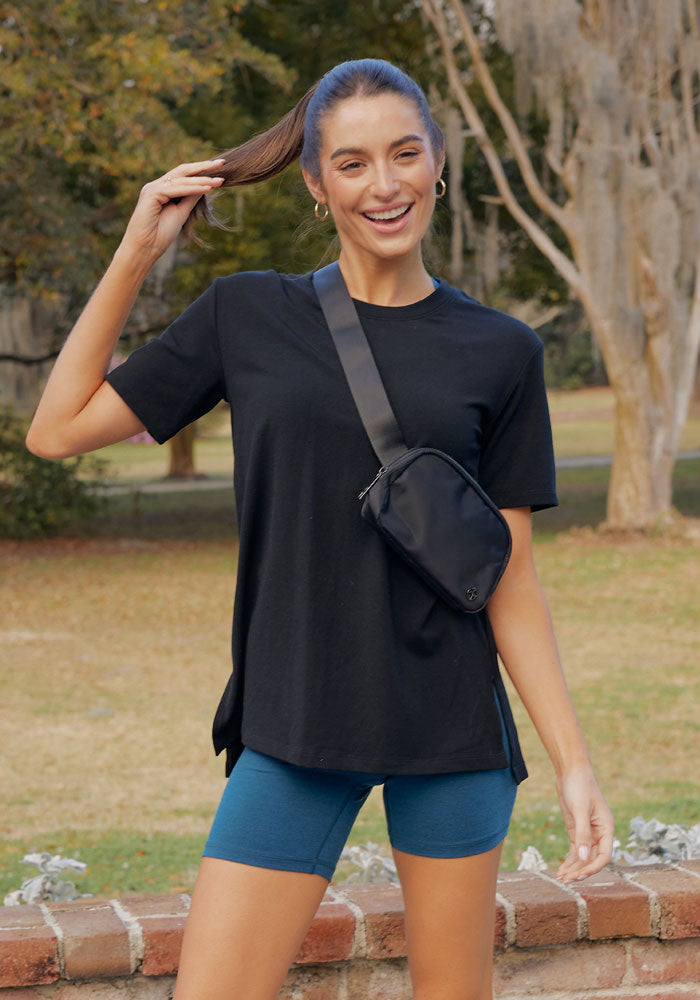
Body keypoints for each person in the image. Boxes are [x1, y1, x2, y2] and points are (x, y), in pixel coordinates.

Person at [27, 58, 614, 1000]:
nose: (384, 185)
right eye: (351, 164)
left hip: (451, 733)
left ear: (438, 165)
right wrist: (140, 249)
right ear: (315, 184)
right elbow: (55, 429)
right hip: (295, 723)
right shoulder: (248, 314)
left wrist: (573, 762)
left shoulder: (502, 352)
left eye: (404, 154)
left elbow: (507, 579)